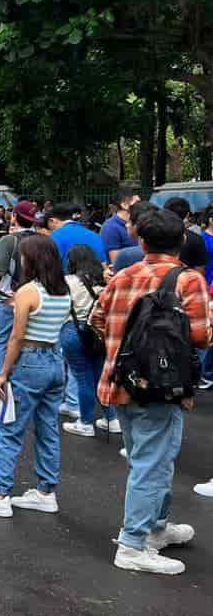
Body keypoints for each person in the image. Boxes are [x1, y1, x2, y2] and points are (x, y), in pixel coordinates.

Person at [90, 207, 209, 575]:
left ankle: (156, 526)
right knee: (151, 463)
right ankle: (133, 543)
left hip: (119, 382)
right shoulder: (188, 281)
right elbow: (202, 336)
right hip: (162, 387)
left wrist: (121, 347)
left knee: (151, 458)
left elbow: (95, 319)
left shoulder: (123, 275)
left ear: (140, 241)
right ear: (182, 241)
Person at [0, 234, 69, 518]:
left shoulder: (27, 292)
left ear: (31, 259)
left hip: (29, 363)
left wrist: (3, 373)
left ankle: (0, 495)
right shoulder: (63, 290)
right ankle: (46, 491)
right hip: (54, 361)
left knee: (9, 428)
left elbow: (16, 337)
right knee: (48, 429)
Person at [61, 244, 117, 438]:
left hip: (73, 330)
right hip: (99, 330)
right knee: (101, 375)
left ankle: (86, 422)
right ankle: (112, 418)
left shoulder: (68, 281)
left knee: (82, 377)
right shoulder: (105, 281)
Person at [0, 200, 39, 375]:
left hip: (9, 297)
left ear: (15, 217)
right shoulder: (44, 240)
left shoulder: (9, 240)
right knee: (28, 339)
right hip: (38, 297)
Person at [47, 204, 107, 268]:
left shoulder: (54, 237)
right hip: (94, 276)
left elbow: (49, 266)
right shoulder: (95, 236)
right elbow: (103, 263)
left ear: (52, 221)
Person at [101, 191, 139, 262]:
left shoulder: (138, 221)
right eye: (137, 203)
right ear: (124, 205)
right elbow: (116, 262)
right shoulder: (110, 227)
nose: (141, 205)